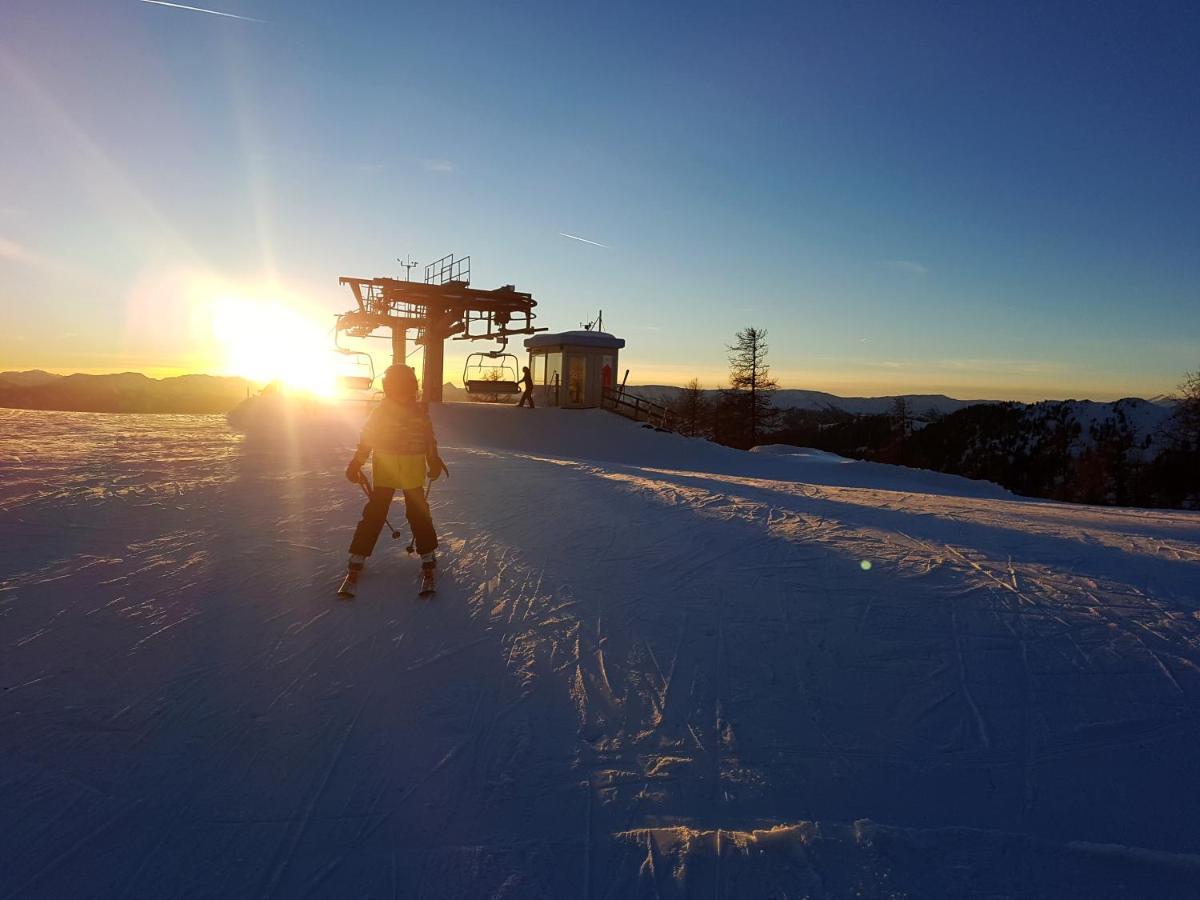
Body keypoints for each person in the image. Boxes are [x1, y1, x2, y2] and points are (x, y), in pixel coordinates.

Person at [343, 365, 448, 588]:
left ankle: (424, 553)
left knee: (401, 512)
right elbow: (369, 438)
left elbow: (427, 438)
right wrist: (357, 461)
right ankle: (425, 555)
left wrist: (434, 458)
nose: (402, 392)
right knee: (387, 512)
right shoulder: (396, 412)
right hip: (395, 467)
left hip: (396, 467)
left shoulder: (400, 412)